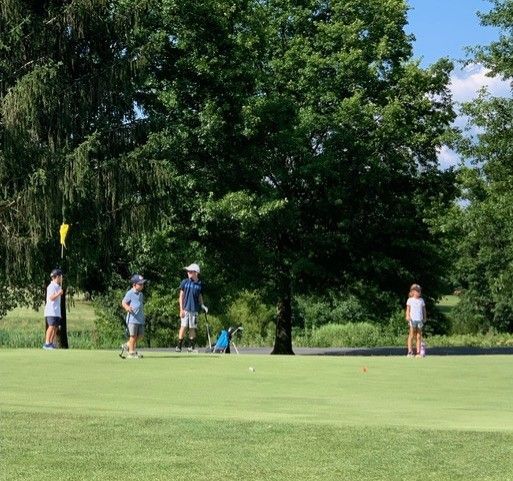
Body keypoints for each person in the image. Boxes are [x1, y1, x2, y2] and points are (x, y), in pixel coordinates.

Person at [176, 263, 208, 353]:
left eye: (190, 271)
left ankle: (191, 347)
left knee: (192, 328)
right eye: (188, 271)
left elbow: (200, 296)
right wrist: (181, 309)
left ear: (196, 273)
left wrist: (202, 305)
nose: (188, 273)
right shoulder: (185, 282)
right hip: (185, 309)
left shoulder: (200, 284)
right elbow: (181, 296)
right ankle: (179, 346)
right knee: (184, 326)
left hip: (194, 310)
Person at [120, 274, 147, 359]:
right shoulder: (130, 293)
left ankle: (127, 345)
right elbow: (123, 302)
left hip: (140, 319)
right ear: (134, 285)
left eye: (142, 284)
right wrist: (127, 307)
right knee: (133, 336)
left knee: (140, 335)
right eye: (140, 284)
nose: (142, 286)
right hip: (132, 319)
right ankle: (131, 353)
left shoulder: (141, 294)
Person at [43, 268, 64, 350]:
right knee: (51, 326)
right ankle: (47, 343)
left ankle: (51, 343)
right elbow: (51, 298)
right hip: (51, 311)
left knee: (55, 328)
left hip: (56, 311)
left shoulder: (58, 287)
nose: (62, 279)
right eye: (61, 277)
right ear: (57, 277)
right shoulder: (51, 286)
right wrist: (59, 293)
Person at [406, 283, 427, 358]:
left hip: (419, 320)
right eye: (418, 291)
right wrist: (407, 316)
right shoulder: (410, 300)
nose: (419, 292)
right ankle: (410, 352)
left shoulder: (421, 300)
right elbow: (408, 309)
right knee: (411, 335)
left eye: (420, 291)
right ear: (413, 291)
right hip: (412, 320)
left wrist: (424, 317)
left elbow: (424, 310)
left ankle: (418, 352)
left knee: (419, 336)